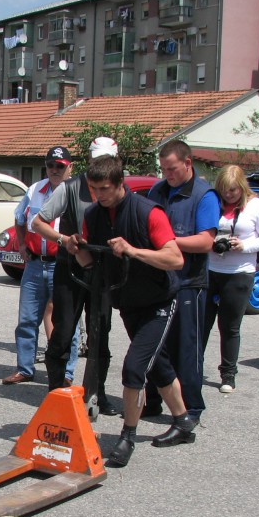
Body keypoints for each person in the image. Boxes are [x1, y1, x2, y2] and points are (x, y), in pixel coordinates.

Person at [72, 155, 194, 468]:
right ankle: (183, 423)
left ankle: (127, 435)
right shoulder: (93, 215)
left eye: (106, 189)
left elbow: (175, 260)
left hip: (159, 301)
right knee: (158, 365)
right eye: (95, 189)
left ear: (120, 183)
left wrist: (133, 250)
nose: (100, 195)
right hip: (127, 302)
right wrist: (78, 252)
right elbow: (91, 264)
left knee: (134, 367)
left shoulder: (147, 212)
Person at [30, 136, 122, 415]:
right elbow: (37, 222)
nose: (101, 166)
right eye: (96, 161)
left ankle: (97, 392)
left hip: (102, 272)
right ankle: (57, 392)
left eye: (107, 161)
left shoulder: (119, 188)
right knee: (63, 331)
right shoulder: (70, 188)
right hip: (70, 269)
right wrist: (62, 239)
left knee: (100, 335)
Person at [145, 140, 219, 422]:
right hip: (160, 280)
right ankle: (152, 400)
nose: (168, 174)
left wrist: (168, 241)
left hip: (190, 282)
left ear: (188, 164)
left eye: (172, 168)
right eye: (163, 169)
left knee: (187, 348)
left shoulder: (204, 195)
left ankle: (191, 408)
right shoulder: (158, 190)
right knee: (156, 344)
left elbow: (205, 241)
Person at [2, 145, 79, 386]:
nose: (54, 170)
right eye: (50, 165)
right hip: (35, 264)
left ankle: (66, 374)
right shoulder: (35, 189)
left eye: (60, 166)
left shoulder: (76, 192)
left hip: (63, 264)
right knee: (27, 319)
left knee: (66, 322)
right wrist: (22, 245)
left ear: (70, 167)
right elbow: (19, 217)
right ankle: (25, 368)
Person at [201, 165, 259, 393]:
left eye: (233, 190)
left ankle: (228, 374)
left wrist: (244, 246)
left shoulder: (256, 206)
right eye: (224, 190)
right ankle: (193, 368)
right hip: (211, 269)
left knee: (229, 327)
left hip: (239, 272)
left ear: (242, 187)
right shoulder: (214, 202)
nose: (228, 194)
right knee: (201, 324)